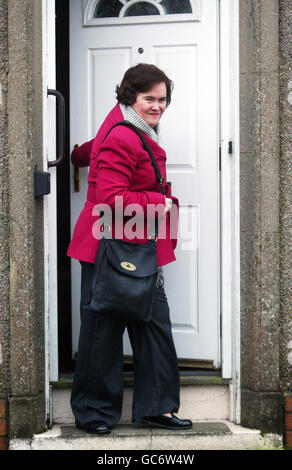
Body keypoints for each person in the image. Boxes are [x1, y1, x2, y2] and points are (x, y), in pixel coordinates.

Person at [67, 63, 192, 434]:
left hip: (139, 244)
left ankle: (157, 408)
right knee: (102, 330)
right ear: (130, 97)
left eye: (163, 99)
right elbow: (110, 197)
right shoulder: (124, 134)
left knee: (153, 325)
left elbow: (95, 149)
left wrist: (77, 155)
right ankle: (93, 413)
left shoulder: (128, 124)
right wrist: (160, 203)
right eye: (149, 98)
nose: (157, 106)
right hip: (109, 245)